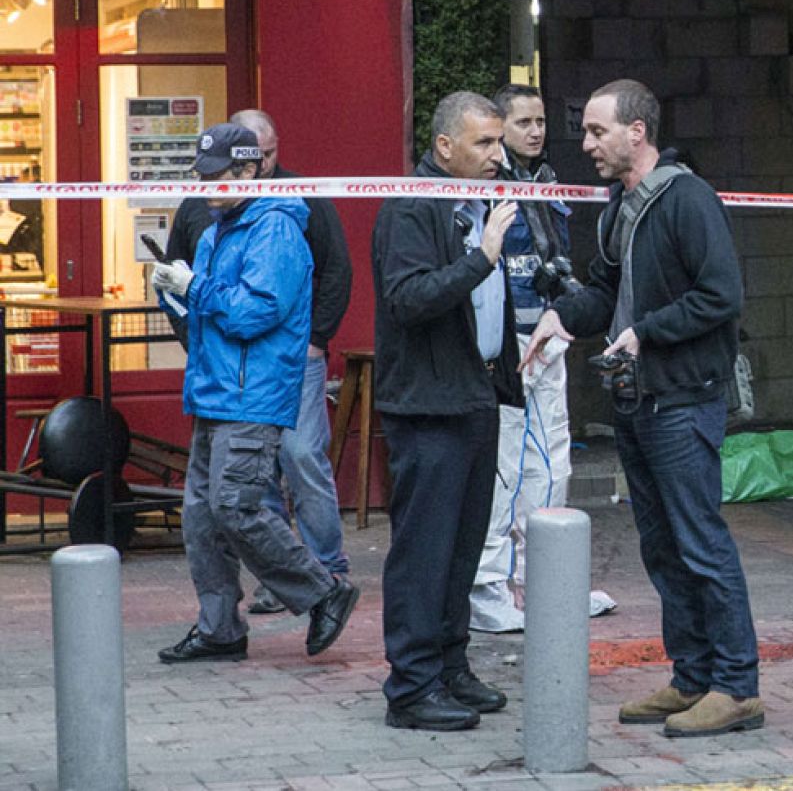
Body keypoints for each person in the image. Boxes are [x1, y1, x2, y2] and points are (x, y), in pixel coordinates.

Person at [526, 79, 761, 738]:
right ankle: (692, 678)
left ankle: (737, 687)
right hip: (637, 401)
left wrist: (646, 332)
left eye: (597, 131)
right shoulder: (619, 206)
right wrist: (561, 317)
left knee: (700, 544)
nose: (586, 144)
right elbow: (606, 292)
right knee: (662, 548)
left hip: (682, 400)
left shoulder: (688, 199)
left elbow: (721, 296)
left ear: (637, 132)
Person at [150, 123, 359, 664]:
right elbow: (211, 311)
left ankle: (324, 590)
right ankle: (219, 629)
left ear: (249, 169)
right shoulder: (219, 228)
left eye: (216, 176)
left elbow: (253, 313)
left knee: (235, 508)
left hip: (252, 392)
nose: (206, 187)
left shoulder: (275, 228)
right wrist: (173, 292)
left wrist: (192, 286)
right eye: (202, 176)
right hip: (216, 390)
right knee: (203, 518)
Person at [372, 91, 523, 732]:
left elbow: (490, 305)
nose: (497, 155)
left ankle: (449, 666)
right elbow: (407, 298)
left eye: (499, 141)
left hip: (475, 393)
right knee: (425, 551)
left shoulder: (480, 202)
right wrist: (479, 258)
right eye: (484, 142)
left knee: (463, 549)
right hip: (427, 405)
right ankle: (411, 686)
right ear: (444, 146)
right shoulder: (411, 206)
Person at [469, 85, 614, 632]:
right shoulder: (487, 186)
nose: (535, 131)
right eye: (523, 122)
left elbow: (554, 257)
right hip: (507, 345)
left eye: (541, 121)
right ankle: (487, 588)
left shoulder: (544, 179)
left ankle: (549, 582)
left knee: (552, 465)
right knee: (504, 470)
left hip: (548, 337)